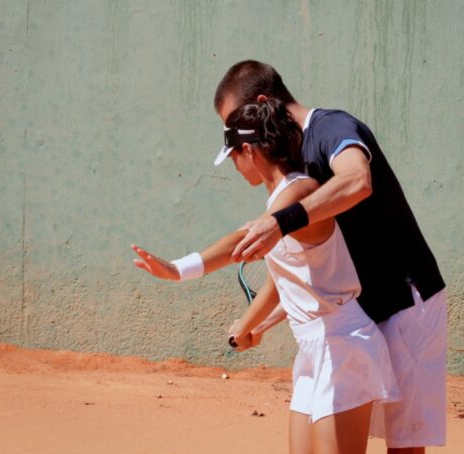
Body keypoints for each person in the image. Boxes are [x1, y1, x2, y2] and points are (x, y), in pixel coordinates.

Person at [132, 99, 399, 453]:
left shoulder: (298, 192)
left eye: (233, 159)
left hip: (344, 347)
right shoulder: (281, 199)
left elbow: (242, 241)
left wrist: (178, 270)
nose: (235, 167)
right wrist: (254, 324)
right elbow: (283, 280)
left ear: (248, 151)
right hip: (313, 348)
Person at [214, 61, 448, 454]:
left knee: (403, 447)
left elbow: (357, 180)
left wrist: (280, 222)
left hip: (407, 303)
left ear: (261, 102)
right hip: (360, 316)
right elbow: (310, 264)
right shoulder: (291, 159)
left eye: (237, 123)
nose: (235, 140)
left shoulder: (332, 128)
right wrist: (265, 321)